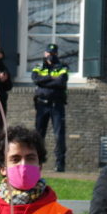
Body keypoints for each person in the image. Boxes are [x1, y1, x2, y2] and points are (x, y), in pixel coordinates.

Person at [31, 43, 69, 172]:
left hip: (57, 105)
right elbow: (36, 79)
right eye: (49, 53)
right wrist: (51, 77)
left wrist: (45, 80)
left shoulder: (62, 67)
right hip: (42, 105)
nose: (50, 55)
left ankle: (60, 164)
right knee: (38, 135)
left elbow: (61, 81)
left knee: (59, 135)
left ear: (56, 54)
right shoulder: (38, 66)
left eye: (53, 54)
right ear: (44, 53)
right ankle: (37, 162)